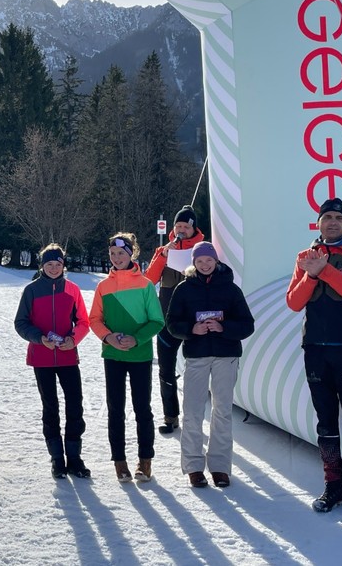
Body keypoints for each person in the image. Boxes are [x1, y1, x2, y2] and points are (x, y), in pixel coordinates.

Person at [285, 198, 342, 520]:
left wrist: (325, 271)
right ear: (319, 222)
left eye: (339, 217)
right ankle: (333, 487)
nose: (333, 222)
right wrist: (311, 275)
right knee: (325, 422)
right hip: (315, 349)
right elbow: (294, 302)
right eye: (328, 217)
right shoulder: (305, 256)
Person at [166, 241, 254, 489]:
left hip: (226, 356)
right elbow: (172, 323)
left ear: (216, 261)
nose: (205, 265)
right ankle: (194, 466)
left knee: (222, 411)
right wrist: (191, 329)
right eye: (200, 261)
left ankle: (220, 466)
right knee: (193, 411)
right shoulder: (184, 289)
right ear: (193, 263)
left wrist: (223, 327)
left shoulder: (231, 289)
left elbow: (247, 324)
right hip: (197, 355)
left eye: (209, 260)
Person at [89, 233, 164, 482]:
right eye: (112, 254)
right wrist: (107, 337)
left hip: (140, 355)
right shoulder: (103, 287)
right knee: (115, 409)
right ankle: (119, 462)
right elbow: (94, 319)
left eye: (121, 253)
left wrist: (137, 339)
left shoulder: (145, 285)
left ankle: (145, 461)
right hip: (113, 356)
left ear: (131, 254)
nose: (116, 257)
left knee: (142, 408)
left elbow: (157, 321)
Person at [14, 244, 90, 479]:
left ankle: (74, 457)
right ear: (42, 266)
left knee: (75, 405)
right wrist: (39, 338)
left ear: (63, 265)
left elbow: (83, 322)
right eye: (49, 264)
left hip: (68, 356)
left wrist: (73, 339)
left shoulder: (73, 289)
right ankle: (57, 458)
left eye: (58, 264)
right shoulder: (31, 291)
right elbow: (21, 323)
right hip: (42, 357)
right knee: (50, 407)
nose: (54, 268)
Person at [145, 205, 205, 434]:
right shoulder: (164, 250)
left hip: (195, 322)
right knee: (166, 369)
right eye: (178, 225)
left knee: (196, 371)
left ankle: (194, 417)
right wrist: (163, 256)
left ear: (193, 228)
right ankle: (171, 416)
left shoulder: (202, 249)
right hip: (167, 320)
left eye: (185, 226)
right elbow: (149, 280)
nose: (181, 230)